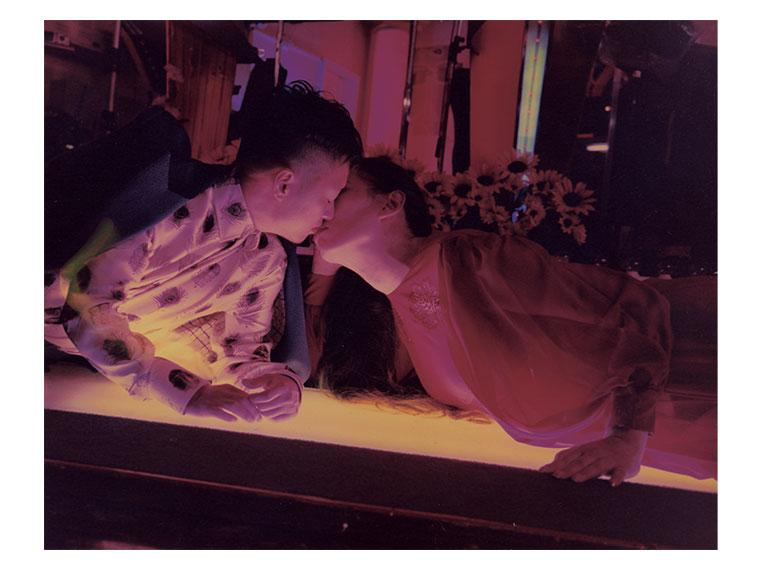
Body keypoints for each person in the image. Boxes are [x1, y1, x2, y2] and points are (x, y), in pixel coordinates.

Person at [307, 155, 717, 484]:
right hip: (664, 437)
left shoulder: (466, 258)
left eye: (339, 193)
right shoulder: (397, 303)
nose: (323, 206)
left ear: (390, 204)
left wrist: (627, 435)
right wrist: (320, 278)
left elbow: (628, 311)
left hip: (690, 376)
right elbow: (309, 364)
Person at [44, 82, 363, 423]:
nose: (329, 213)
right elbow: (88, 306)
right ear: (284, 183)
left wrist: (277, 382)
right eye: (329, 198)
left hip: (85, 377)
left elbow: (239, 348)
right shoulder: (167, 201)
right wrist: (185, 390)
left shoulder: (267, 258)